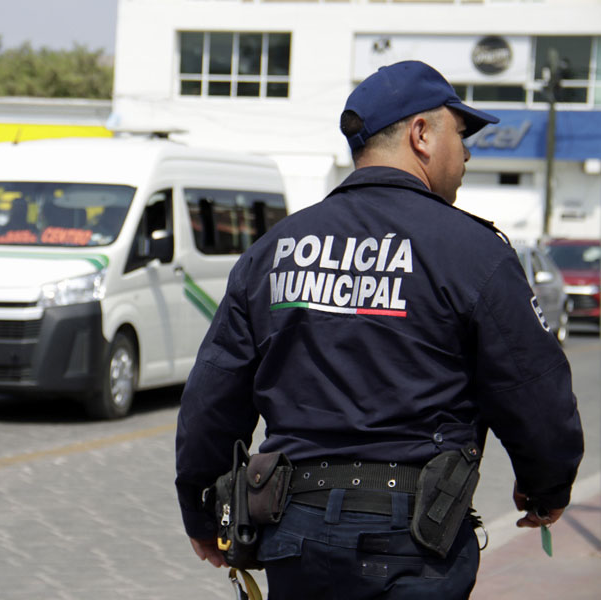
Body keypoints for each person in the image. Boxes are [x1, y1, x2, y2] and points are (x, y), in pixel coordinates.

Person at [174, 60, 583, 599]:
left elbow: (213, 394)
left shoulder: (276, 249)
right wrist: (546, 486)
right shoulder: (473, 253)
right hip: (416, 540)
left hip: (297, 534)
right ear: (420, 135)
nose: (467, 153)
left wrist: (204, 514)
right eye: (460, 135)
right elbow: (533, 391)